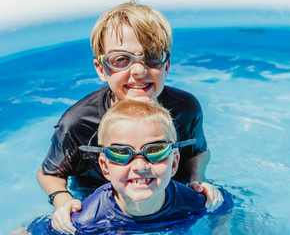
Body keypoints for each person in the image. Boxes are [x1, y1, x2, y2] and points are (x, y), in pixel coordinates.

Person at [36, 1, 223, 234]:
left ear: (167, 65)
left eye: (152, 57)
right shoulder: (79, 122)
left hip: (167, 196)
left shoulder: (185, 108)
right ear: (101, 69)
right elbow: (50, 173)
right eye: (121, 60)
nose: (139, 70)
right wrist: (62, 200)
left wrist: (198, 179)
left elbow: (197, 151)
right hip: (100, 205)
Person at [26, 100, 231, 234]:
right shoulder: (86, 220)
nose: (140, 165)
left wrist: (219, 229)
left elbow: (226, 205)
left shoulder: (196, 201)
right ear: (105, 168)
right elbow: (36, 229)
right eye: (121, 153)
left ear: (175, 162)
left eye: (155, 150)